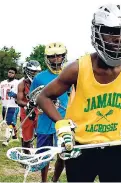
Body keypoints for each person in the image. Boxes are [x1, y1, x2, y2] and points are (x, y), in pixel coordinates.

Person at [37, 4, 121, 182]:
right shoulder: (77, 68)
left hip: (116, 146)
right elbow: (43, 96)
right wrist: (62, 124)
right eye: (110, 31)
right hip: (81, 147)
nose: (119, 38)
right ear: (96, 32)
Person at [29, 42, 69, 182]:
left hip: (64, 120)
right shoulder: (39, 77)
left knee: (63, 154)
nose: (56, 58)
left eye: (59, 55)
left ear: (64, 56)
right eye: (52, 56)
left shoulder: (70, 73)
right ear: (47, 58)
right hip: (45, 121)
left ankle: (55, 180)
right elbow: (33, 98)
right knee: (44, 155)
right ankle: (44, 180)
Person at [17, 60, 41, 151]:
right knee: (27, 137)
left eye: (37, 72)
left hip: (39, 112)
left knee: (42, 135)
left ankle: (40, 156)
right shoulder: (22, 84)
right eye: (33, 71)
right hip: (27, 113)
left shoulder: (40, 82)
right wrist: (28, 104)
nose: (35, 74)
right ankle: (25, 155)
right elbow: (19, 101)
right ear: (27, 71)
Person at [0, 67, 20, 146]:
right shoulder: (2, 83)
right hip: (5, 105)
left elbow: (22, 95)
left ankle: (6, 140)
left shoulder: (17, 83)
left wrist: (15, 95)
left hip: (13, 105)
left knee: (9, 122)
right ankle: (15, 136)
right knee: (8, 122)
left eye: (12, 73)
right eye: (9, 72)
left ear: (15, 74)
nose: (10, 74)